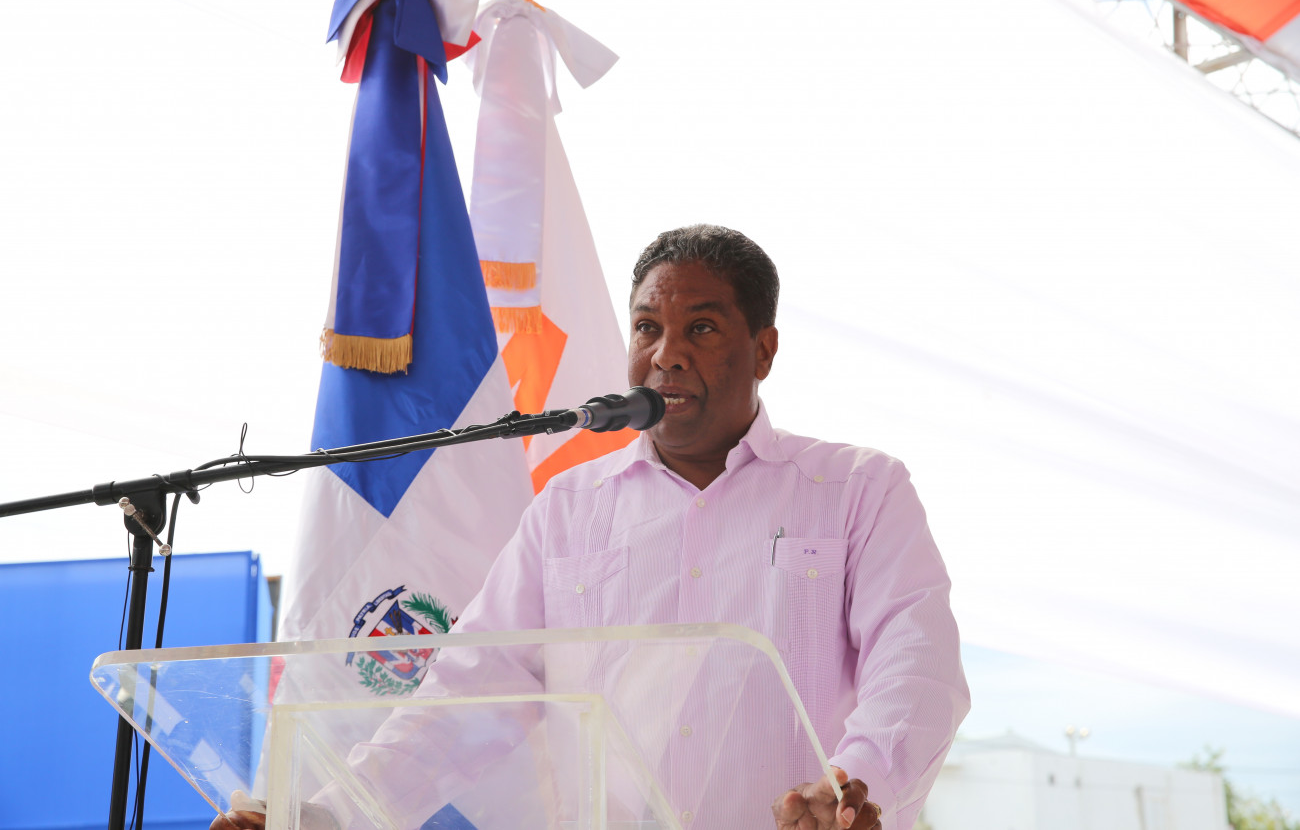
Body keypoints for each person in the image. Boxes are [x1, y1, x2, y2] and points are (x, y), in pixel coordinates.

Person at [217, 225, 968, 830]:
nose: (666, 355)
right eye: (647, 328)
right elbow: (461, 697)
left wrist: (850, 786)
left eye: (701, 328)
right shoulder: (568, 509)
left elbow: (917, 670)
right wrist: (325, 817)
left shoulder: (858, 490)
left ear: (763, 351)